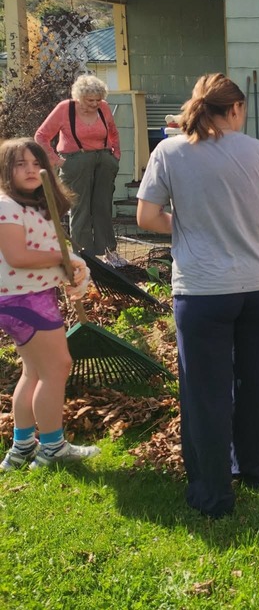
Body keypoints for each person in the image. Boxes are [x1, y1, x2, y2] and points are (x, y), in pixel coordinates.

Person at [136, 73, 259, 517]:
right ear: (235, 108)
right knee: (257, 381)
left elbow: (146, 216)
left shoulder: (169, 151)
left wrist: (186, 225)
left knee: (206, 392)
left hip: (202, 291)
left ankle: (212, 492)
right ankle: (256, 467)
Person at [0, 138, 98, 471]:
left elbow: (41, 254)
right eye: (19, 164)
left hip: (30, 297)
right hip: (24, 300)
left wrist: (67, 266)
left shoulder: (33, 206)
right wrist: (61, 258)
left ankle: (22, 447)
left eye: (35, 163)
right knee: (57, 367)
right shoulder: (7, 206)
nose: (29, 170)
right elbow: (18, 256)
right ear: (5, 171)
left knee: (34, 371)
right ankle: (53, 447)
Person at [35, 74, 126, 267]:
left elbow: (113, 132)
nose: (94, 104)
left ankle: (109, 252)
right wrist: (58, 162)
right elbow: (41, 136)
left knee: (103, 206)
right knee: (80, 209)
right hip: (75, 161)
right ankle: (84, 257)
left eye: (98, 100)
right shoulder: (65, 109)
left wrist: (115, 155)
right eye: (89, 100)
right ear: (78, 97)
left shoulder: (104, 108)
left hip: (103, 160)